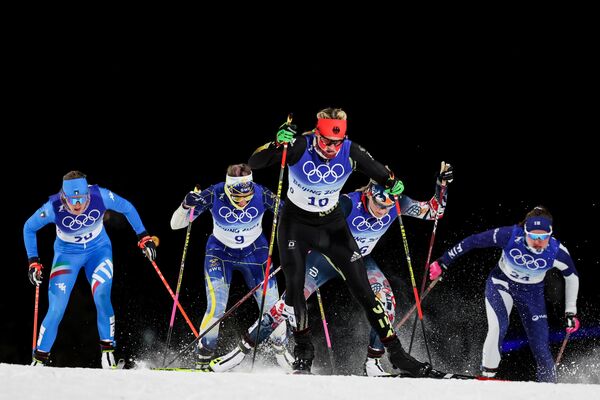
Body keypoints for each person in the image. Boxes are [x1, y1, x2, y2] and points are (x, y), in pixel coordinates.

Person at [247, 107, 443, 376]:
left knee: (364, 289)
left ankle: (396, 355)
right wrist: (276, 143)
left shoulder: (350, 150)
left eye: (337, 142)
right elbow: (255, 163)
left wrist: (394, 184)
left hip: (331, 226)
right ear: (317, 133)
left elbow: (380, 172)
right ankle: (303, 353)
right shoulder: (299, 146)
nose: (331, 148)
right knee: (293, 290)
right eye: (327, 141)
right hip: (295, 225)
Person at [208, 163, 453, 375]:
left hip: (360, 261)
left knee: (386, 302)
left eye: (389, 206)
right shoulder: (347, 204)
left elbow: (434, 212)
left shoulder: (396, 203)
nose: (383, 211)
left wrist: (441, 186)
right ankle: (240, 352)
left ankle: (373, 363)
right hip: (324, 260)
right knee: (288, 304)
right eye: (379, 204)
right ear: (369, 193)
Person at [428, 205, 580, 382]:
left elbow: (572, 277)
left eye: (543, 237)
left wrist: (570, 312)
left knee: (541, 347)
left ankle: (548, 387)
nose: (538, 242)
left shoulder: (557, 252)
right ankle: (487, 376)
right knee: (497, 328)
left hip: (532, 294)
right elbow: (473, 241)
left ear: (550, 235)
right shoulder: (509, 235)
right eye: (533, 236)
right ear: (525, 232)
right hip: (502, 283)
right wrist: (443, 262)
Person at [24, 171, 157, 368]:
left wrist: (143, 236)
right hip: (66, 257)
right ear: (64, 197)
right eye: (72, 200)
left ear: (87, 192)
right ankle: (39, 359)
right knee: (56, 308)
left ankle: (108, 353)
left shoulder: (100, 195)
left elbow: (127, 207)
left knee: (102, 296)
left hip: (99, 252)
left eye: (81, 198)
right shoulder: (53, 207)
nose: (77, 205)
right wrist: (33, 262)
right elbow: (29, 227)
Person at [170, 163, 285, 369]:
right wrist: (185, 206)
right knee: (216, 308)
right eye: (237, 197)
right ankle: (203, 361)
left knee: (273, 308)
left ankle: (282, 353)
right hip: (220, 254)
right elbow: (176, 224)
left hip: (255, 253)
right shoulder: (214, 193)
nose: (243, 202)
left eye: (247, 197)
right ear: (228, 189)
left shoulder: (261, 193)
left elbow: (290, 217)